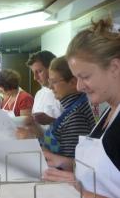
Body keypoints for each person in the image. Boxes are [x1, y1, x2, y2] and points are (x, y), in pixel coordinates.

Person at [43, 18, 120, 198]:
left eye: (85, 76)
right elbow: (103, 174)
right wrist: (63, 163)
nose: (78, 87)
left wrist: (81, 193)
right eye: (76, 78)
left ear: (115, 67)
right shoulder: (109, 111)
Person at [34, 56, 94, 159]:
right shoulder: (72, 108)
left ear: (73, 83)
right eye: (50, 81)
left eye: (54, 82)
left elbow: (69, 163)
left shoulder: (76, 116)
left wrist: (33, 141)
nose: (50, 87)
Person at [26, 51, 62, 127]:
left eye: (39, 71)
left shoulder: (65, 93)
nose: (35, 78)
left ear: (51, 68)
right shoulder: (39, 94)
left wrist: (52, 121)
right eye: (33, 73)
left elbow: (73, 126)